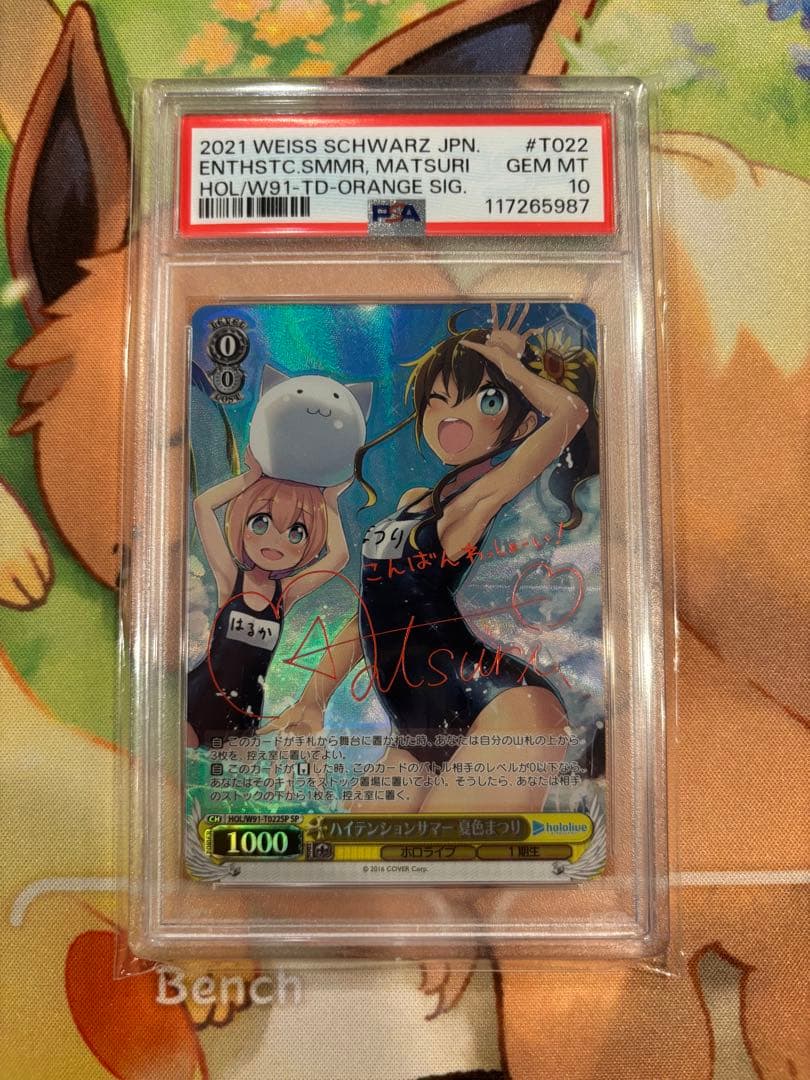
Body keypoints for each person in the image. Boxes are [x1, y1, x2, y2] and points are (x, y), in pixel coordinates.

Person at [266, 304, 599, 812]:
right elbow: (373, 614)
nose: (452, 420)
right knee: (356, 853)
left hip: (501, 708)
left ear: (522, 424)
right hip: (416, 733)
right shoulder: (414, 504)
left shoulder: (475, 502)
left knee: (458, 858)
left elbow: (571, 413)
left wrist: (510, 368)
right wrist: (312, 700)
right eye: (439, 401)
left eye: (486, 402)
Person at [187, 447, 349, 747]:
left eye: (296, 532)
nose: (276, 541)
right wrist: (250, 478)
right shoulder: (230, 578)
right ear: (243, 523)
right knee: (172, 770)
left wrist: (328, 502)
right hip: (199, 698)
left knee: (224, 779)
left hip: (244, 713)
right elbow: (203, 505)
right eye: (261, 522)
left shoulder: (285, 592)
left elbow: (339, 556)